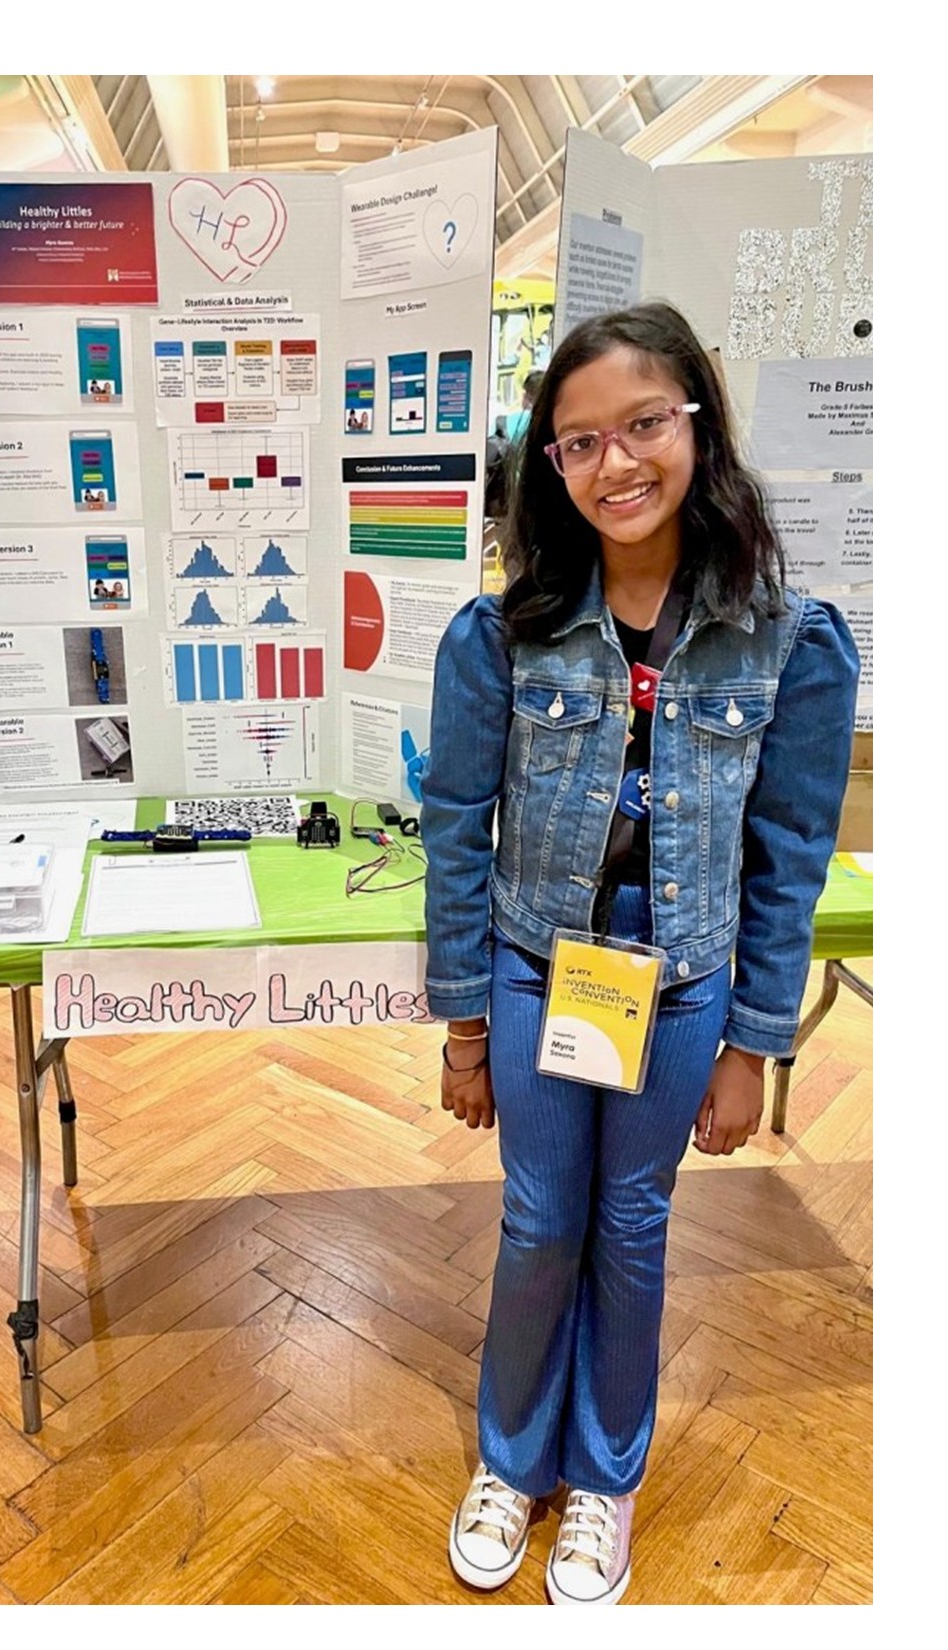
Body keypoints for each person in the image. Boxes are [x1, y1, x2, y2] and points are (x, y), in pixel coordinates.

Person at [422, 302, 858, 1606]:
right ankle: (514, 1457)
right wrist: (462, 1022)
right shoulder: (502, 635)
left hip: (680, 995)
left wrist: (755, 1047)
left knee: (633, 1225)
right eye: (578, 442)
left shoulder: (790, 639)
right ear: (547, 466)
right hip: (537, 975)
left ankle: (603, 1477)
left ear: (698, 427)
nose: (616, 464)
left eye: (643, 426)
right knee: (539, 1221)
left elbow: (789, 855)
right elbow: (454, 830)